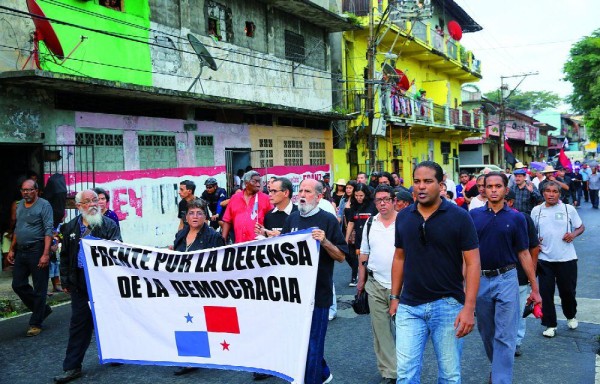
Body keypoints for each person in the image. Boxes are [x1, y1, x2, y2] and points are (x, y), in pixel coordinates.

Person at [389, 161, 481, 383]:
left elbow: (473, 263)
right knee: (405, 373)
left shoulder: (459, 216)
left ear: (441, 185)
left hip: (448, 306)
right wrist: (394, 297)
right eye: (417, 182)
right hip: (409, 307)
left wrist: (469, 307)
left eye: (428, 182)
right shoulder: (403, 216)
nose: (421, 187)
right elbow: (399, 257)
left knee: (449, 375)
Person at [469, 172, 541, 383]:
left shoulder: (517, 218)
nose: (493, 189)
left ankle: (501, 379)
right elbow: (467, 254)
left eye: (497, 186)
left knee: (506, 334)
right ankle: (498, 367)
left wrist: (534, 288)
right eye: (488, 186)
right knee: (486, 331)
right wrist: (465, 285)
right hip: (481, 279)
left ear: (505, 190)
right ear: (483, 189)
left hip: (508, 278)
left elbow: (524, 252)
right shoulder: (474, 216)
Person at [281, 179, 348, 384]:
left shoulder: (327, 220)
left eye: (307, 191)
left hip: (318, 294)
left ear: (319, 197)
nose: (302, 194)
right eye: (300, 190)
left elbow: (341, 256)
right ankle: (323, 373)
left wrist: (325, 241)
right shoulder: (291, 219)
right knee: (301, 342)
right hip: (294, 294)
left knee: (313, 343)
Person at [53, 190, 121, 383]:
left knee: (109, 319)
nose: (93, 204)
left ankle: (116, 352)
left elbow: (118, 251)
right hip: (80, 282)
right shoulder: (70, 227)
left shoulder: (109, 225)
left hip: (104, 282)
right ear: (79, 206)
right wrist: (65, 280)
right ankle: (72, 367)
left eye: (95, 200)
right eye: (87, 201)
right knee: (79, 325)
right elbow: (65, 256)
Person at [172, 198, 225, 376]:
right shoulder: (180, 235)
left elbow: (220, 264)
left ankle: (195, 357)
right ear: (186, 216)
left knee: (198, 320)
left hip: (203, 287)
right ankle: (189, 356)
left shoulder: (213, 237)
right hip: (181, 286)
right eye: (191, 213)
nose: (195, 216)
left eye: (199, 213)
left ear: (206, 217)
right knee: (185, 320)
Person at [531, 181, 585, 338]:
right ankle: (550, 324)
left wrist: (573, 235)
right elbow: (531, 231)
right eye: (548, 191)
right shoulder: (537, 211)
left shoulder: (569, 209)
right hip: (544, 259)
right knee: (546, 293)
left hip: (567, 259)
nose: (551, 194)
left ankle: (570, 315)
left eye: (555, 191)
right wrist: (535, 241)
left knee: (567, 292)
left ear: (559, 194)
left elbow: (580, 226)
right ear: (543, 193)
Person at [357, 185, 398, 384]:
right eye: (378, 200)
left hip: (401, 286)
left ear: (394, 200)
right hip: (374, 283)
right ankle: (390, 372)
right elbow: (364, 253)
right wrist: (361, 280)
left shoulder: (404, 222)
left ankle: (406, 368)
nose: (382, 203)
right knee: (380, 331)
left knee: (405, 330)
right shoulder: (370, 223)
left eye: (386, 199)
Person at [6, 179, 54, 337]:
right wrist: (12, 249)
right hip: (21, 251)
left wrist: (46, 254)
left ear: (36, 191)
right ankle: (42, 310)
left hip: (37, 250)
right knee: (18, 284)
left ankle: (35, 323)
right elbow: (18, 228)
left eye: (29, 190)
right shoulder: (20, 205)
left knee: (40, 289)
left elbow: (48, 230)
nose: (26, 193)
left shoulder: (44, 205)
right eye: (23, 190)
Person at [504, 190, 540, 357]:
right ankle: (501, 341)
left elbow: (533, 247)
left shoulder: (523, 219)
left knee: (518, 311)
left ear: (510, 202)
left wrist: (530, 273)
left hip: (519, 274)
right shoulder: (486, 217)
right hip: (494, 276)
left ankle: (516, 342)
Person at [221, 171, 271, 243]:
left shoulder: (266, 199)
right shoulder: (235, 198)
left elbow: (272, 219)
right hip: (240, 245)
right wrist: (223, 241)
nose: (258, 184)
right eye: (254, 181)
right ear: (246, 183)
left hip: (259, 245)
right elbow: (227, 221)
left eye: (259, 181)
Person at [345, 183, 377, 287]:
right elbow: (351, 222)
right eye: (356, 195)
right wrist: (346, 239)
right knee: (361, 263)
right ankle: (361, 286)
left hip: (373, 239)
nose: (358, 198)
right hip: (360, 239)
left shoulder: (373, 204)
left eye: (361, 196)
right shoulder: (354, 206)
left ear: (366, 195)